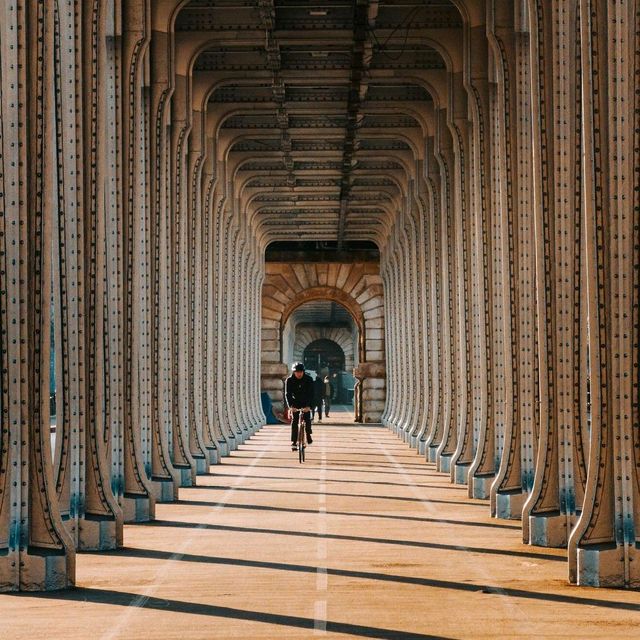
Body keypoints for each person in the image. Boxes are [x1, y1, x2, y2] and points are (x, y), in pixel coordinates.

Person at [285, 362, 314, 450]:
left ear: (303, 372)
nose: (299, 374)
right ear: (294, 372)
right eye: (297, 372)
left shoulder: (309, 379)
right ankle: (294, 442)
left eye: (301, 372)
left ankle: (308, 434)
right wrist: (291, 406)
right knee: (294, 421)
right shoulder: (289, 380)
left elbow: (312, 394)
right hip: (295, 402)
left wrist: (309, 406)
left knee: (307, 419)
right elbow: (288, 394)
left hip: (306, 402)